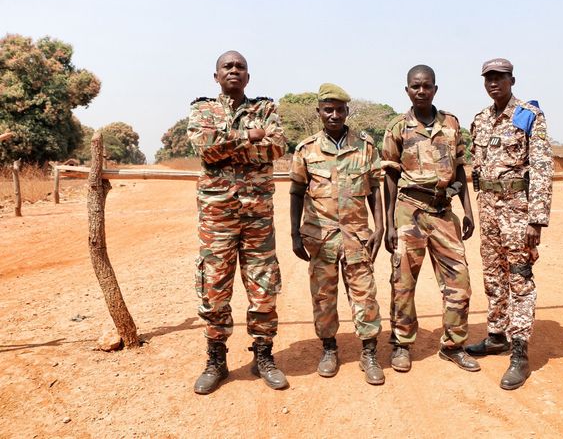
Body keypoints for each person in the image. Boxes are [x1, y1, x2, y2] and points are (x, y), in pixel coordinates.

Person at [188, 50, 288, 394]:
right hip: (217, 217)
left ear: (249, 76)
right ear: (215, 76)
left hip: (258, 215)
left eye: (240, 67)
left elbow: (276, 148)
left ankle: (264, 356)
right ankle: (216, 360)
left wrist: (230, 145)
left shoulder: (265, 109)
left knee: (263, 288)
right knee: (214, 289)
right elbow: (205, 149)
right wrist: (249, 138)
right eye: (227, 66)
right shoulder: (202, 110)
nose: (234, 70)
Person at [382, 65, 479, 373]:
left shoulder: (451, 123)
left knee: (459, 282)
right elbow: (389, 176)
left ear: (435, 89)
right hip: (409, 211)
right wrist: (389, 224)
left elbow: (460, 168)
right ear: (407, 90)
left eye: (426, 86)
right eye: (415, 86)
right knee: (403, 283)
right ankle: (401, 344)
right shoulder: (397, 127)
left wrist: (467, 210)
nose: (421, 91)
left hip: (443, 212)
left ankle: (453, 345)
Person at [465, 58, 554, 390]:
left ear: (512, 80)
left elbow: (543, 167)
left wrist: (537, 219)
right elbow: (476, 167)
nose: (493, 83)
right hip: (488, 211)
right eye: (488, 78)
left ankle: (520, 352)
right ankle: (496, 336)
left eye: (500, 78)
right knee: (492, 275)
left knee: (520, 279)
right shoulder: (480, 120)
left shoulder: (529, 115)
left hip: (518, 213)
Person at [289, 83, 385, 385]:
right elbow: (295, 191)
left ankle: (369, 352)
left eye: (339, 109)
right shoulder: (306, 149)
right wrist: (294, 233)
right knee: (323, 296)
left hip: (357, 236)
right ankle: (329, 349)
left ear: (347, 111)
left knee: (365, 295)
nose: (334, 114)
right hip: (321, 238)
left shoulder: (365, 146)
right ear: (319, 112)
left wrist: (379, 226)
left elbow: (374, 189)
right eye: (327, 109)